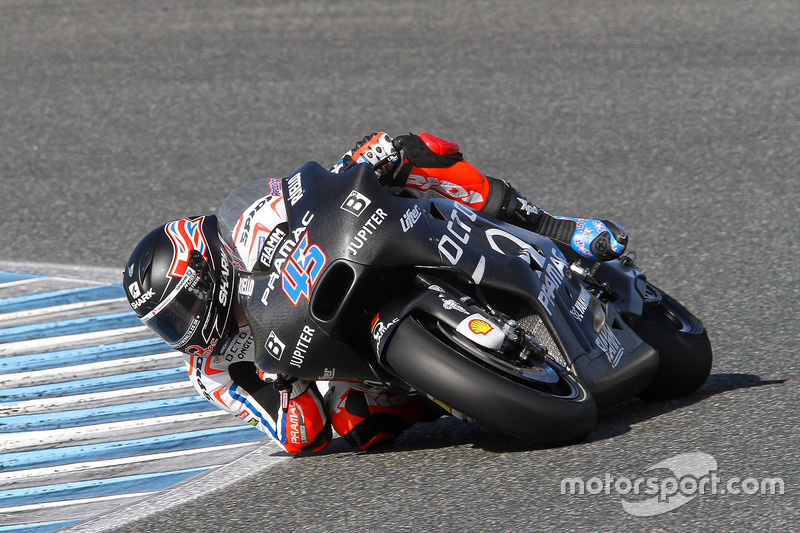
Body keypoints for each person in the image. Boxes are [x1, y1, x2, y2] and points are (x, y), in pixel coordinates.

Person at [123, 131, 628, 454]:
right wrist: (284, 383)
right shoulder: (210, 368)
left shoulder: (250, 224)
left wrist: (359, 163)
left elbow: (306, 196)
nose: (185, 328)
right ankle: (449, 388)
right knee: (360, 428)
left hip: (360, 251)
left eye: (184, 306)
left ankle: (554, 226)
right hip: (340, 361)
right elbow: (297, 436)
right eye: (168, 323)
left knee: (409, 150)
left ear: (208, 269)